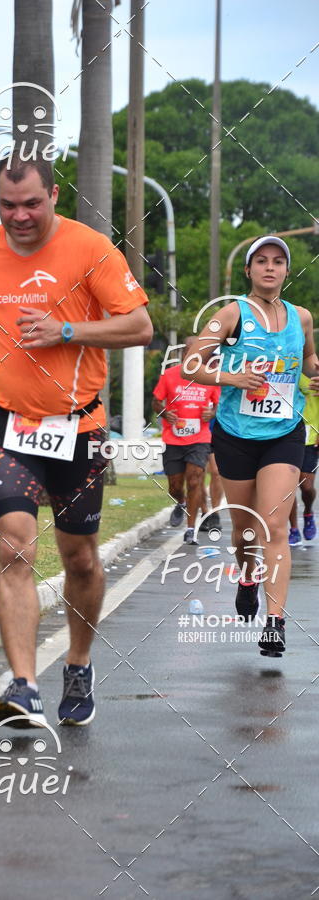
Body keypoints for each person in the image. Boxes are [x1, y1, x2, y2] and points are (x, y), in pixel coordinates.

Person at [0, 153, 152, 727]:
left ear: (55, 195)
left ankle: (79, 662)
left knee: (80, 558)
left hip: (78, 426)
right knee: (15, 544)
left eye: (31, 203)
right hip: (5, 419)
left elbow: (139, 326)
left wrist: (67, 330)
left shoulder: (91, 250)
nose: (19, 216)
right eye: (8, 204)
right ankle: (23, 687)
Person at [183, 235, 319, 658]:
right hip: (236, 434)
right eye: (261, 261)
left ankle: (275, 624)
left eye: (278, 262)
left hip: (284, 432)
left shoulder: (302, 317)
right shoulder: (231, 314)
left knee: (274, 526)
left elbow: (310, 359)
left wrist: (315, 374)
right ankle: (246, 578)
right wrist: (232, 378)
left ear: (285, 270)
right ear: (249, 270)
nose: (270, 268)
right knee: (246, 533)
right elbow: (191, 362)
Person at [152, 337, 220, 544]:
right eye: (189, 351)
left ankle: (191, 528)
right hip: (173, 438)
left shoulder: (210, 377)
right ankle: (179, 502)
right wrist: (164, 413)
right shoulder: (170, 375)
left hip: (199, 438)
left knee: (195, 479)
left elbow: (218, 404)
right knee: (175, 486)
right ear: (183, 354)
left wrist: (212, 412)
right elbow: (156, 401)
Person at [288, 373, 319, 545]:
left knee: (307, 487)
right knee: (288, 487)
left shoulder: (315, 375)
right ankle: (293, 528)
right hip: (286, 435)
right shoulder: (286, 370)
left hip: (310, 436)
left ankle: (308, 512)